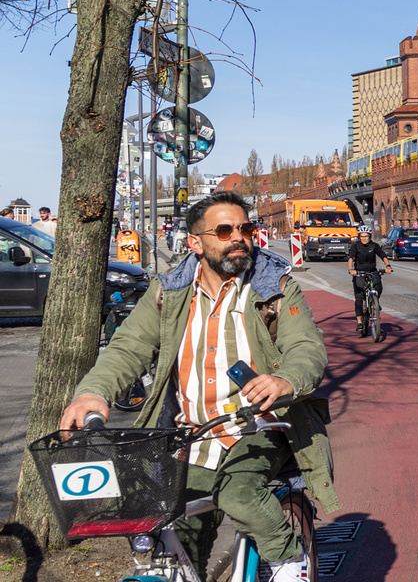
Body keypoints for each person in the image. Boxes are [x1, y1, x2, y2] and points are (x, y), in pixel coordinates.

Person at [59, 190, 335, 582]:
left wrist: (286, 379)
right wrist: (93, 392)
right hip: (190, 434)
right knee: (169, 534)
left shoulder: (275, 285)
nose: (239, 237)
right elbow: (128, 347)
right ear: (195, 243)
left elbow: (306, 347)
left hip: (258, 428)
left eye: (245, 228)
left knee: (238, 494)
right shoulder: (168, 292)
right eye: (224, 230)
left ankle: (290, 560)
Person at [347, 225, 392, 335]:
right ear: (359, 237)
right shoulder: (355, 246)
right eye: (362, 236)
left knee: (379, 287)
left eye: (366, 236)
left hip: (372, 271)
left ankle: (375, 302)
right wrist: (351, 269)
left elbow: (383, 255)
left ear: (369, 236)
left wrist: (388, 266)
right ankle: (359, 323)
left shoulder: (374, 246)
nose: (364, 238)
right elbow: (351, 258)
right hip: (359, 273)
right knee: (359, 298)